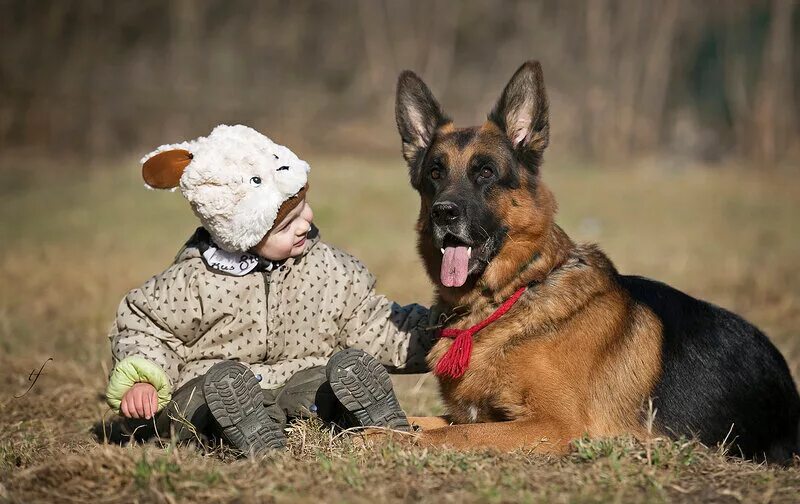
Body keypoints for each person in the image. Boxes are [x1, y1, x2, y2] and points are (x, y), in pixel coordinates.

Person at [104, 124, 435, 455]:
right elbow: (146, 328)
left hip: (296, 385)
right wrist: (144, 377)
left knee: (331, 379)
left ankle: (377, 418)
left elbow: (371, 322)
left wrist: (441, 335)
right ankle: (246, 431)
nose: (305, 223)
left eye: (303, 207)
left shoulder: (327, 268)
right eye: (286, 225)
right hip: (217, 389)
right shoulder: (193, 280)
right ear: (243, 235)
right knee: (200, 399)